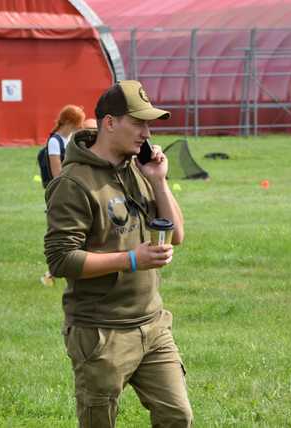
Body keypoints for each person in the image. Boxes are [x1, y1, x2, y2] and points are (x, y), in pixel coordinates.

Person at [44, 80, 192, 427]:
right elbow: (61, 260)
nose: (146, 132)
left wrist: (158, 181)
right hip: (101, 334)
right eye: (138, 122)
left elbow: (178, 234)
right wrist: (131, 260)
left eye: (149, 123)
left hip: (153, 325)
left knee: (177, 416)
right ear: (109, 123)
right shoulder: (73, 183)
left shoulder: (138, 169)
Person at [40, 105, 86, 287]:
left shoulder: (68, 140)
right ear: (68, 122)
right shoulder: (55, 142)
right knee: (64, 235)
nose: (78, 128)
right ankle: (52, 272)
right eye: (76, 124)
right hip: (62, 193)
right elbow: (57, 173)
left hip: (73, 191)